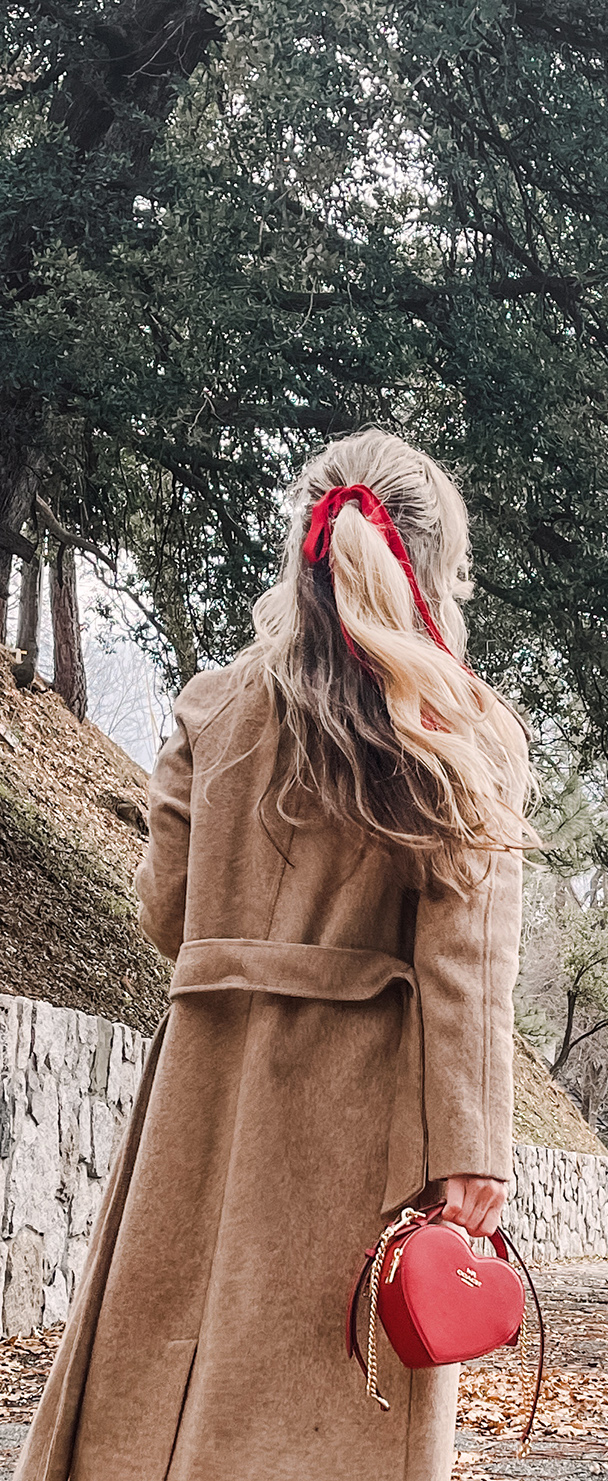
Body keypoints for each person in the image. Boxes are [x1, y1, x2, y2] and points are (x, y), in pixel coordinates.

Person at [16, 430, 531, 1481]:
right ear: (436, 567)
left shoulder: (211, 706)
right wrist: (471, 1152)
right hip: (360, 1118)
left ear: (301, 548)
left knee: (159, 1366)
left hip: (199, 1097)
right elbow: (466, 969)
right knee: (322, 1404)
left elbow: (169, 912)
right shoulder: (456, 730)